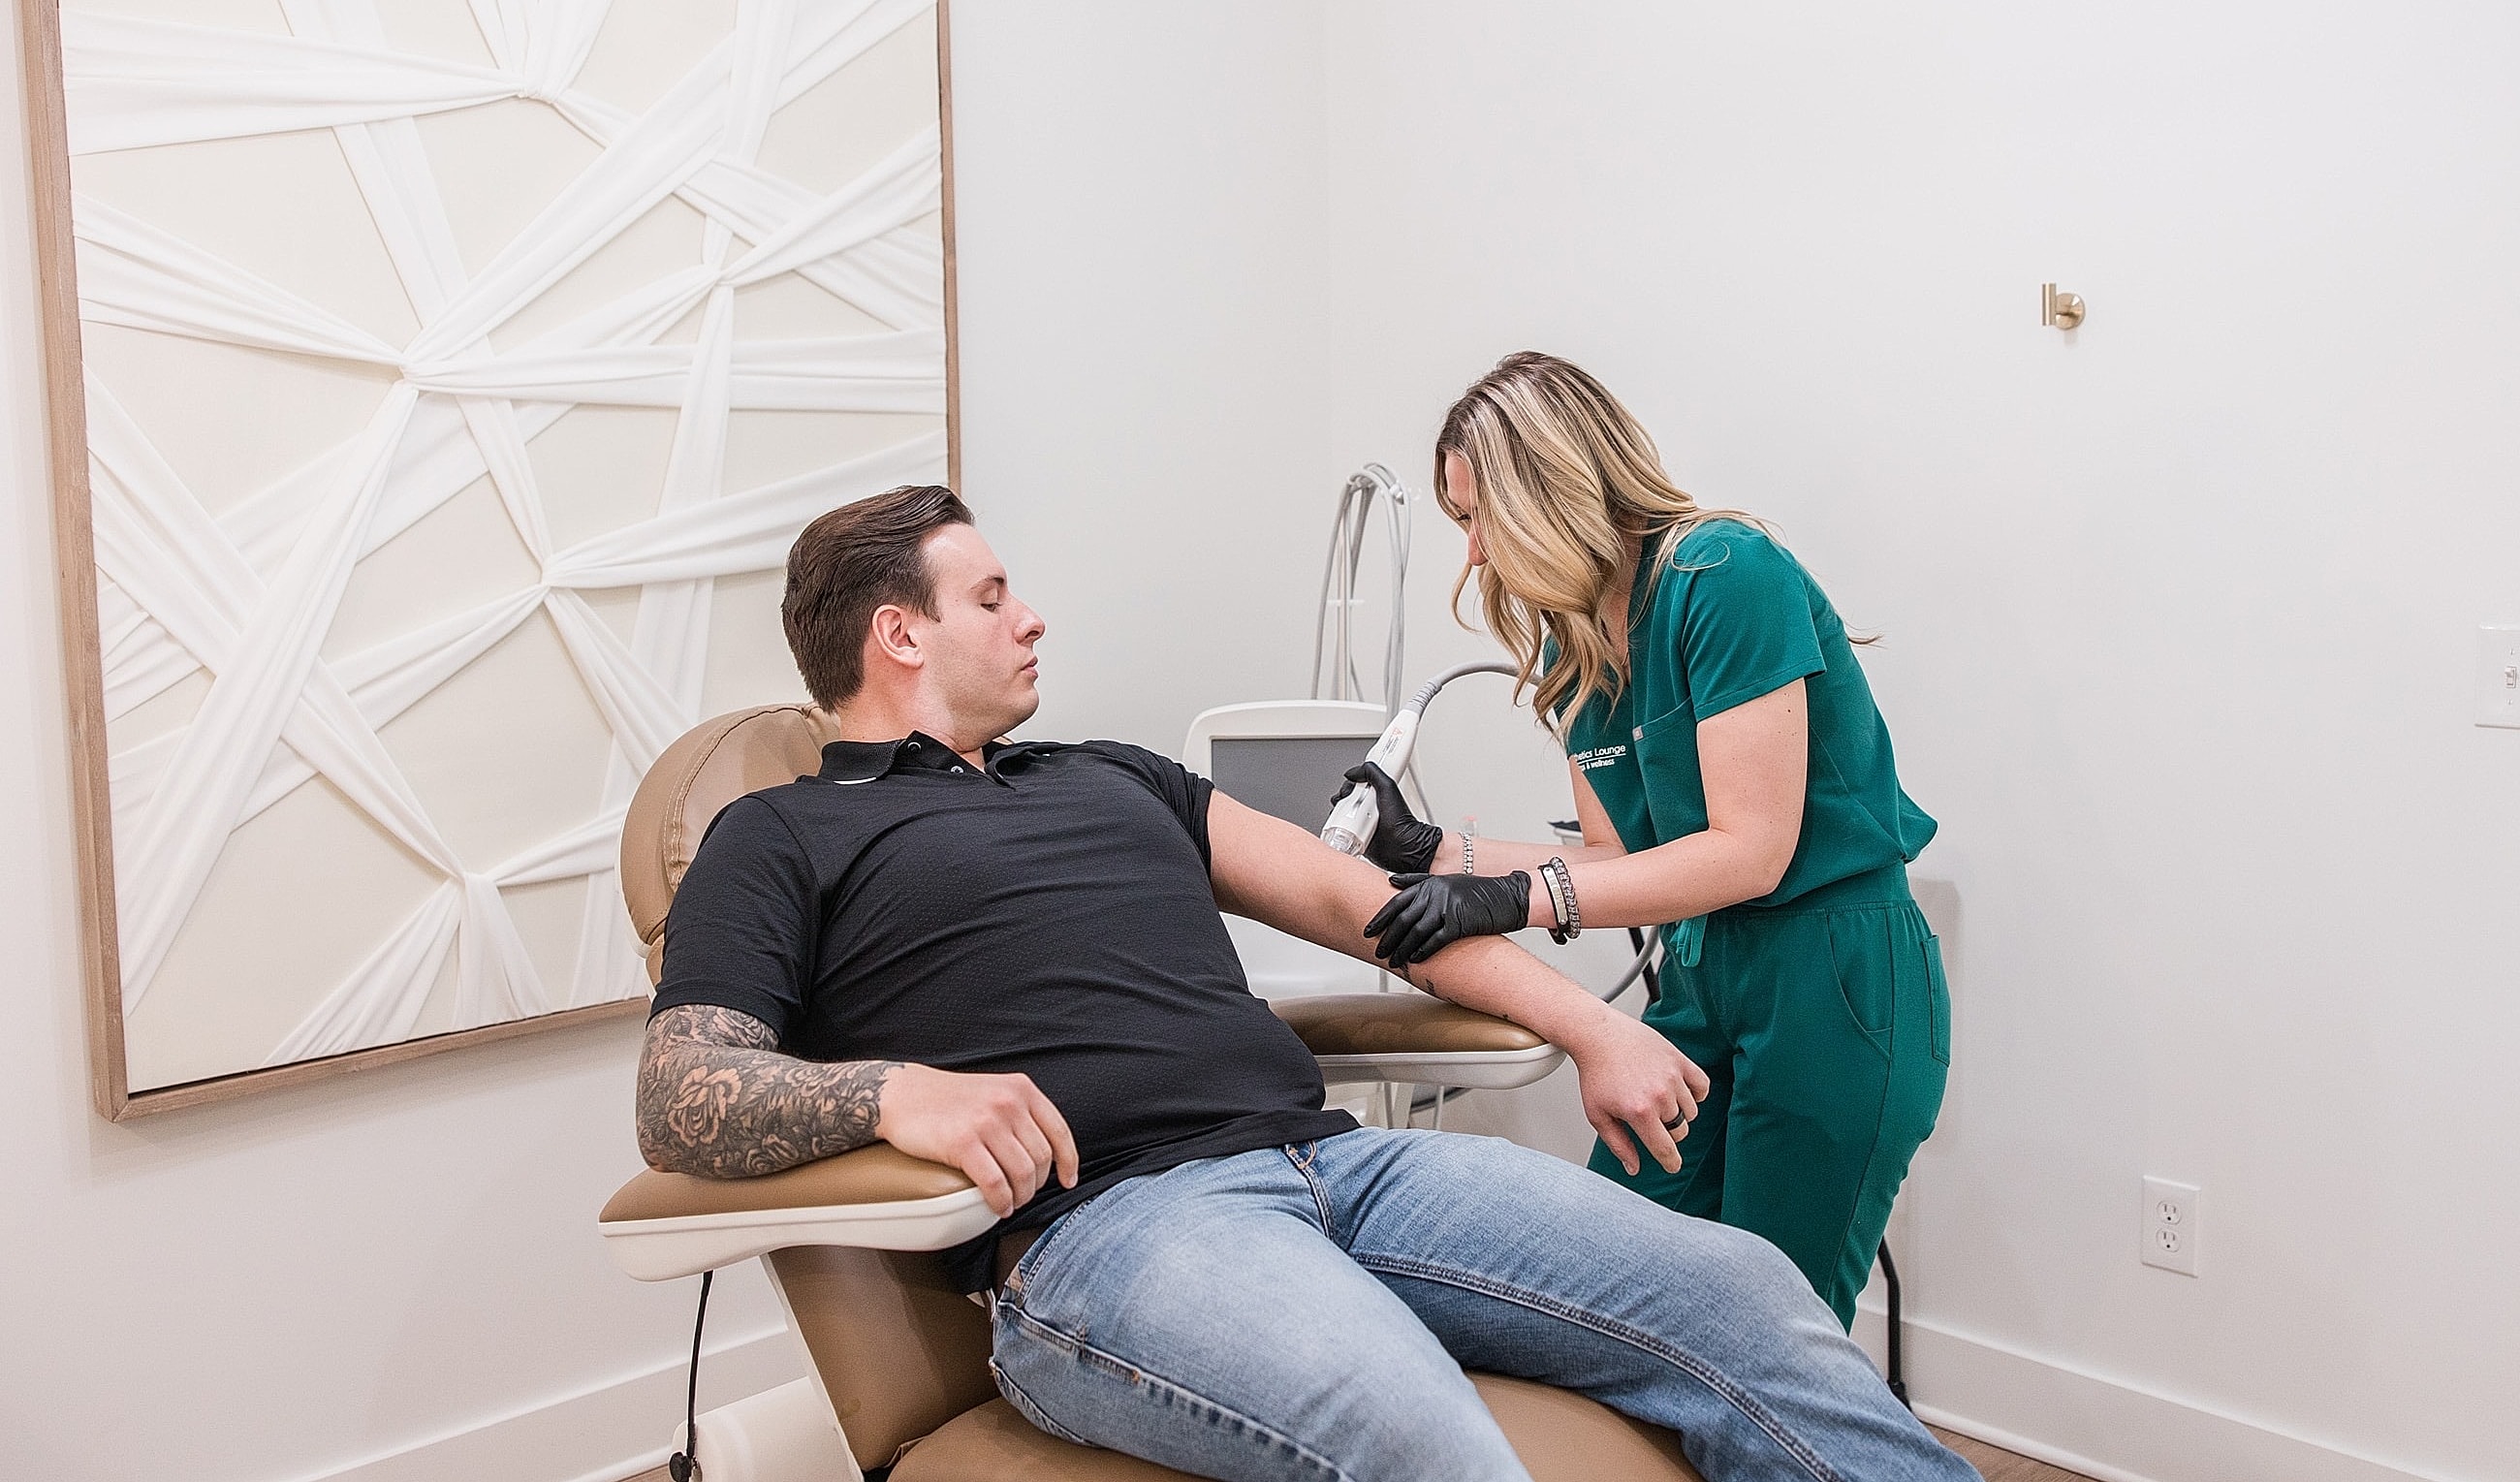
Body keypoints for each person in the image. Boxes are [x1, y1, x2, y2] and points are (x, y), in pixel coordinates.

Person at [638, 482, 1972, 1481]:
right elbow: (680, 1084)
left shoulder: (1114, 775)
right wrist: (894, 1094)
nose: (1030, 614)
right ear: (898, 634)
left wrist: (1589, 1029)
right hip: (1115, 1232)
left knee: (1737, 1289)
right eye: (990, 597)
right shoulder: (782, 834)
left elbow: (1375, 912)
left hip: (1344, 1168)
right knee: (1417, 1429)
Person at [1339, 352, 1947, 1329]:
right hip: (1705, 973)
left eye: (1479, 517)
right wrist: (1438, 853)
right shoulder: (1576, 639)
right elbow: (1618, 860)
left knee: (1769, 1325)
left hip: (1831, 972)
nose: (1475, 556)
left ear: (1548, 483)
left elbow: (1750, 849)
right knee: (1611, 1276)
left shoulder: (1724, 574)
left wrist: (1515, 899)